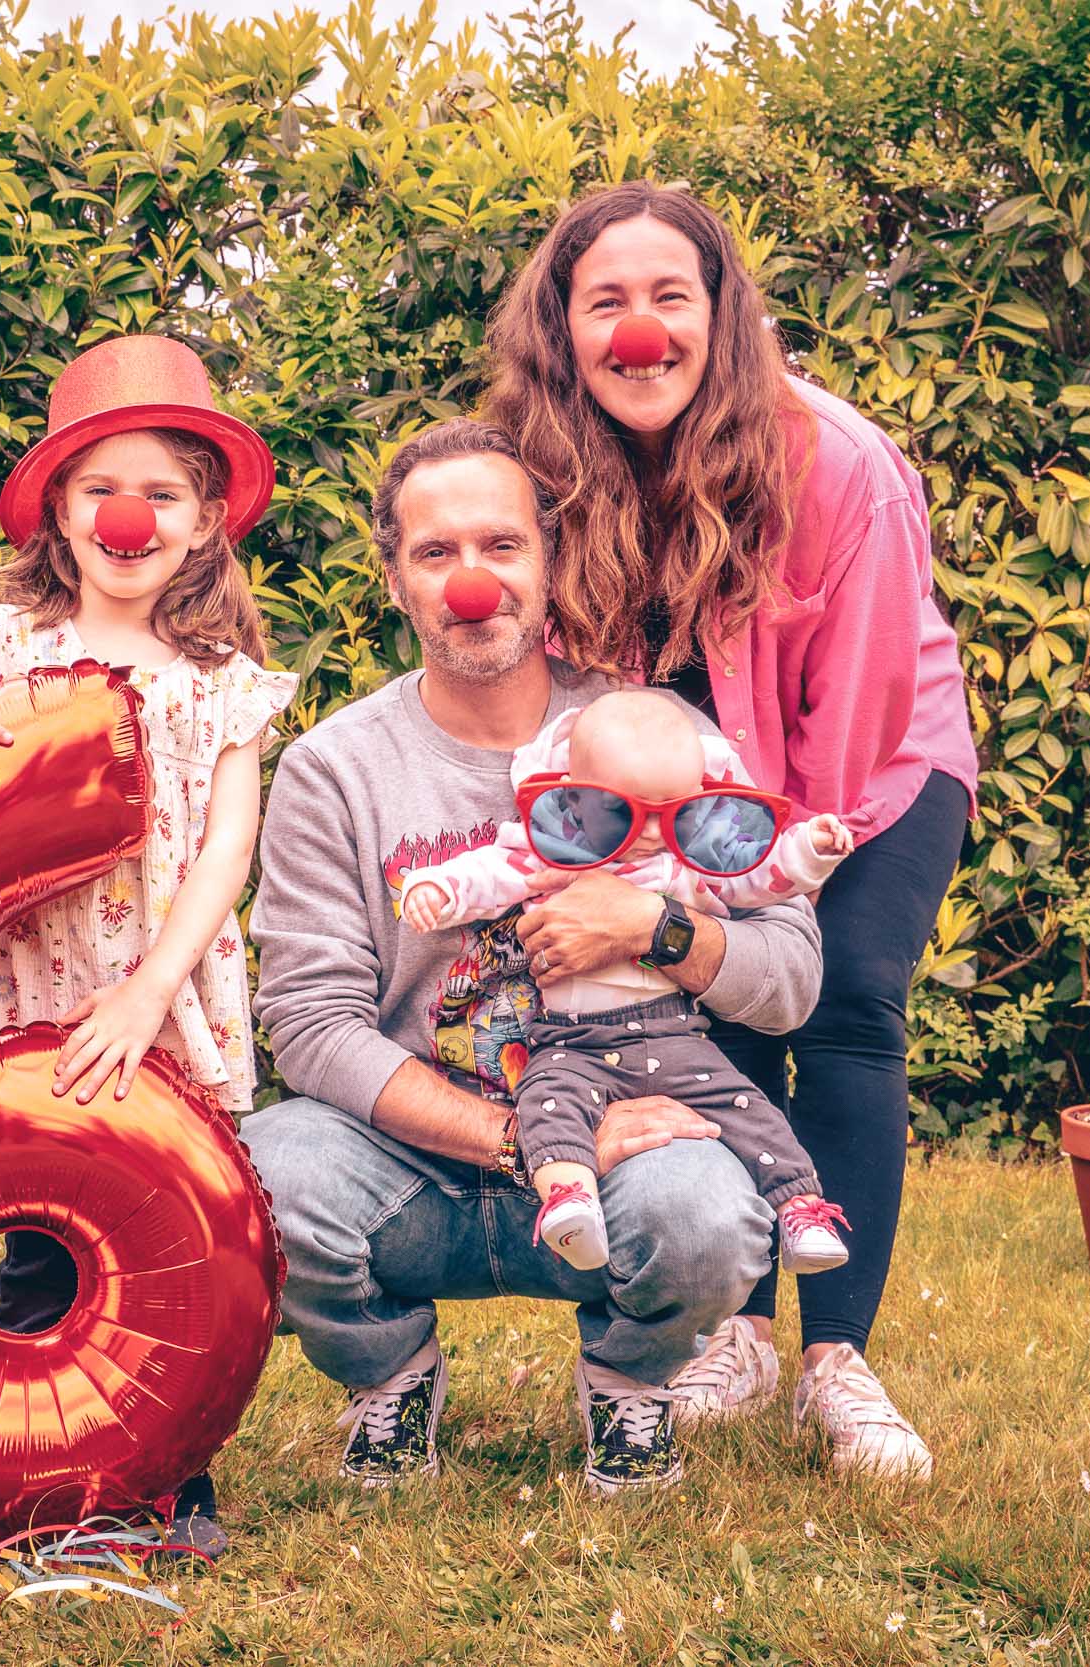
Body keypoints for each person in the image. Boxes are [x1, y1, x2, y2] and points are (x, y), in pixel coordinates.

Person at [483, 181, 980, 1478]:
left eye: (669, 297)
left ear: (719, 316)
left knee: (846, 1001)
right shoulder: (542, 468)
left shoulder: (837, 463)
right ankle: (742, 1331)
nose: (639, 330)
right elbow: (550, 680)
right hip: (674, 790)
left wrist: (760, 882)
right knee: (710, 1012)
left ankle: (841, 1359)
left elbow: (858, 710)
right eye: (608, 302)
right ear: (565, 327)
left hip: (866, 766)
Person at [242, 420, 824, 1498]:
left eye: (501, 545)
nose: (473, 580)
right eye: (436, 552)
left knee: (709, 1214)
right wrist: (525, 1138)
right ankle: (387, 1376)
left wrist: (653, 930)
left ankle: (629, 1384)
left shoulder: (649, 732)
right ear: (395, 580)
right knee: (260, 1176)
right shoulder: (334, 768)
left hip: (625, 1137)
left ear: (549, 559)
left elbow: (789, 981)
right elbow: (311, 1026)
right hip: (417, 1159)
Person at [0, 334, 296, 1558]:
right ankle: (17, 1460)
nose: (128, 514)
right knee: (27, 1225)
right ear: (58, 512)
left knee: (164, 1230)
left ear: (201, 525)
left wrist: (150, 991)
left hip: (146, 993)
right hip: (4, 990)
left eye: (163, 492)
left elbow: (221, 858)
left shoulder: (218, 684)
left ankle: (172, 1476)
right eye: (100, 487)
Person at [395, 687, 855, 1274]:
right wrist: (438, 889)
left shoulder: (689, 857)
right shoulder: (557, 853)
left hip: (676, 1036)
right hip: (572, 1040)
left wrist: (810, 853)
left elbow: (759, 878)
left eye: (674, 812)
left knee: (744, 1105)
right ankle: (569, 1200)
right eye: (622, 811)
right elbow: (490, 870)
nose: (650, 834)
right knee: (547, 1104)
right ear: (573, 792)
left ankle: (802, 1207)